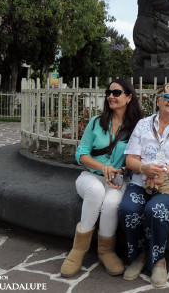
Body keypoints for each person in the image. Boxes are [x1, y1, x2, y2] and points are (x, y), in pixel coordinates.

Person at [118, 82, 169, 288]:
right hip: (141, 180)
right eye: (167, 97)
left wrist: (166, 172)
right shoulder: (143, 124)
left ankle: (159, 260)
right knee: (128, 208)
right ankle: (140, 255)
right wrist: (145, 168)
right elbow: (130, 159)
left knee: (156, 210)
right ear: (158, 99)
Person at [60, 79, 143, 278]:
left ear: (129, 97)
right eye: (109, 92)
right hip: (90, 176)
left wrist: (120, 171)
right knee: (96, 192)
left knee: (113, 203)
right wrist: (103, 167)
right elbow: (81, 154)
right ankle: (78, 250)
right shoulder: (97, 122)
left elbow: (138, 159)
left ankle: (106, 251)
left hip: (117, 180)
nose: (111, 96)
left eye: (116, 92)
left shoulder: (137, 127)